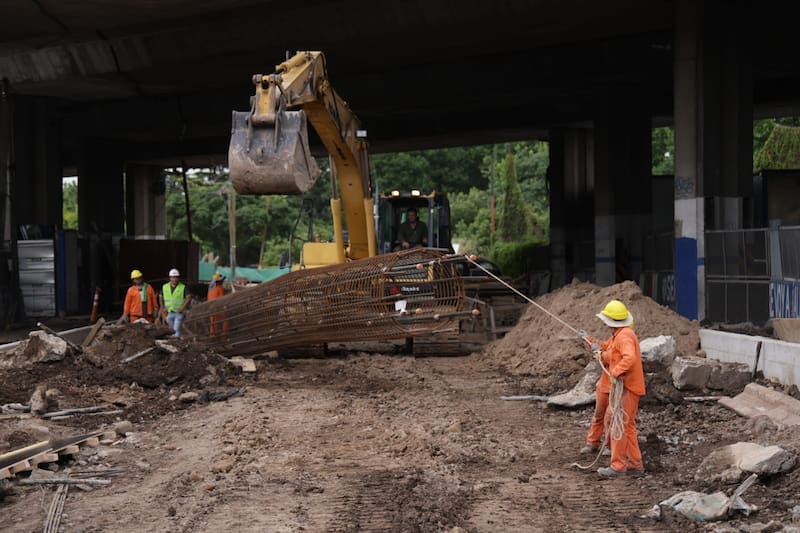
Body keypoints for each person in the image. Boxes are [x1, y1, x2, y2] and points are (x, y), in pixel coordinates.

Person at [583, 300, 645, 477]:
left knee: (616, 422)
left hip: (626, 387)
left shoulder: (624, 336)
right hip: (630, 387)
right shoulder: (621, 334)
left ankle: (618, 466)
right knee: (627, 425)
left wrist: (615, 372)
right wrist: (592, 342)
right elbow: (611, 350)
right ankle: (635, 464)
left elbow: (629, 358)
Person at [159, 268, 191, 337]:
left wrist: (182, 308)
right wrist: (162, 308)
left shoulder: (183, 287)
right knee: (171, 330)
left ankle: (177, 343)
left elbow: (188, 297)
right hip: (169, 312)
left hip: (179, 312)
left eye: (176, 277)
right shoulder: (164, 287)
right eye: (173, 277)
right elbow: (160, 297)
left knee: (176, 331)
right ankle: (175, 344)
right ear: (170, 278)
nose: (175, 279)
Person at [207, 272, 229, 339]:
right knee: (225, 321)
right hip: (218, 308)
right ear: (218, 281)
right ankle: (224, 336)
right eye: (221, 280)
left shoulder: (210, 289)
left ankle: (213, 337)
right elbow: (222, 299)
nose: (222, 281)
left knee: (213, 323)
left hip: (211, 308)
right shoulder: (219, 287)